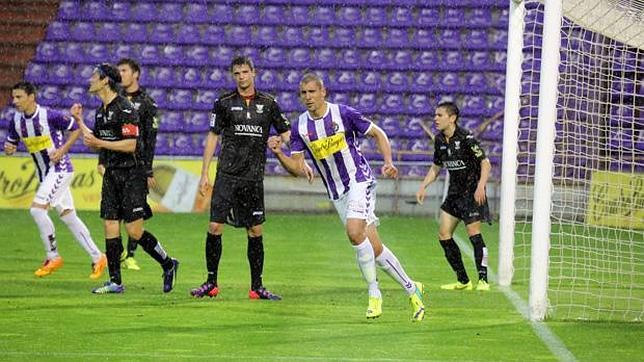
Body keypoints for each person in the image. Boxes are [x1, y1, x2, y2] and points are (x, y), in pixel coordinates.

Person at [268, 73, 426, 321]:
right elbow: (298, 168)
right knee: (374, 248)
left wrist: (388, 162)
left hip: (359, 180)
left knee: (354, 232)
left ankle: (374, 294)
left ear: (323, 92)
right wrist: (278, 153)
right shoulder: (300, 126)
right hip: (337, 191)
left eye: (312, 92)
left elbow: (378, 133)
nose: (308, 97)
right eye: (303, 93)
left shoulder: (343, 113)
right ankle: (411, 288)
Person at [70, 63, 178, 294]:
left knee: (134, 232)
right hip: (112, 174)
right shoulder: (101, 110)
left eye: (94, 76)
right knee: (110, 225)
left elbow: (131, 145)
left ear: (105, 81)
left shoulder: (126, 108)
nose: (90, 80)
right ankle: (116, 282)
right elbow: (95, 141)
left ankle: (168, 264)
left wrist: (100, 144)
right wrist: (79, 121)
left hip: (132, 175)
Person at [190, 56, 291, 301]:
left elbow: (287, 133)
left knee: (255, 231)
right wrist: (204, 173)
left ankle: (256, 287)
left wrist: (279, 141)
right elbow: (213, 137)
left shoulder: (268, 104)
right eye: (237, 73)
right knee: (214, 226)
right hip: (227, 175)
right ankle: (211, 282)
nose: (241, 77)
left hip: (252, 178)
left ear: (254, 73)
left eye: (245, 72)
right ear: (233, 75)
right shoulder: (223, 103)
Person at [3, 81, 107, 279]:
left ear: (31, 97)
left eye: (19, 97)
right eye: (13, 97)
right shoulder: (16, 120)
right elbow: (11, 144)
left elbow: (76, 128)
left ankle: (53, 256)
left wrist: (62, 150)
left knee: (36, 209)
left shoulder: (48, 115)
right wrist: (10, 149)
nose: (15, 101)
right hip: (44, 174)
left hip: (60, 169)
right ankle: (98, 257)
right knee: (68, 216)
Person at [415, 101, 492, 291]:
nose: (435, 118)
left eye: (439, 115)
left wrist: (481, 186)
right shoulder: (440, 140)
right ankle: (463, 281)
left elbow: (486, 163)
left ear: (452, 118)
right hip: (454, 194)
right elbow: (436, 168)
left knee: (474, 234)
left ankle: (483, 280)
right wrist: (423, 186)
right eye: (435, 115)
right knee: (444, 235)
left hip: (472, 193)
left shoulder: (467, 137)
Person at [104, 57, 160, 271]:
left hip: (136, 166)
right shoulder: (113, 99)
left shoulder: (147, 103)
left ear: (136, 73)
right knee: (113, 216)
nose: (121, 74)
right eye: (119, 71)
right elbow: (107, 133)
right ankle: (120, 257)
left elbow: (150, 139)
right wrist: (103, 159)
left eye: (125, 70)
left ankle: (131, 254)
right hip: (115, 165)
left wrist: (147, 169)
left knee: (134, 215)